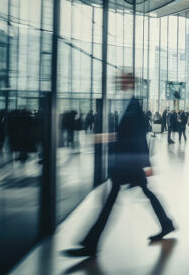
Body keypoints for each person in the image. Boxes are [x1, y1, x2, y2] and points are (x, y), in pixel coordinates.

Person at [65, 73, 174, 257]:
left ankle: (91, 243)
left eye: (123, 80)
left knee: (114, 200)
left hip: (129, 164)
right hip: (126, 163)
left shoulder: (133, 105)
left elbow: (140, 137)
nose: (119, 82)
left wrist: (146, 165)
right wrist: (106, 138)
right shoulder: (124, 104)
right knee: (137, 195)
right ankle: (166, 223)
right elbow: (125, 135)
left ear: (129, 84)